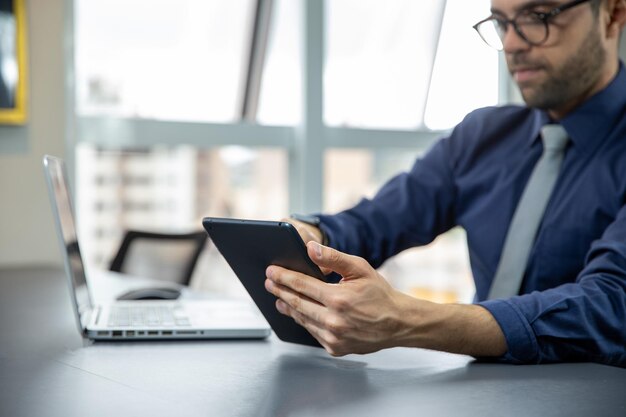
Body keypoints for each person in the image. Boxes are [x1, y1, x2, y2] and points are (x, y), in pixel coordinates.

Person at [264, 0, 626, 366]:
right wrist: (313, 237)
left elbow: (610, 304)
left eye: (538, 16)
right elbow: (380, 221)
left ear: (612, 14)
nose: (513, 43)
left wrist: (405, 320)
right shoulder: (483, 136)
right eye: (501, 23)